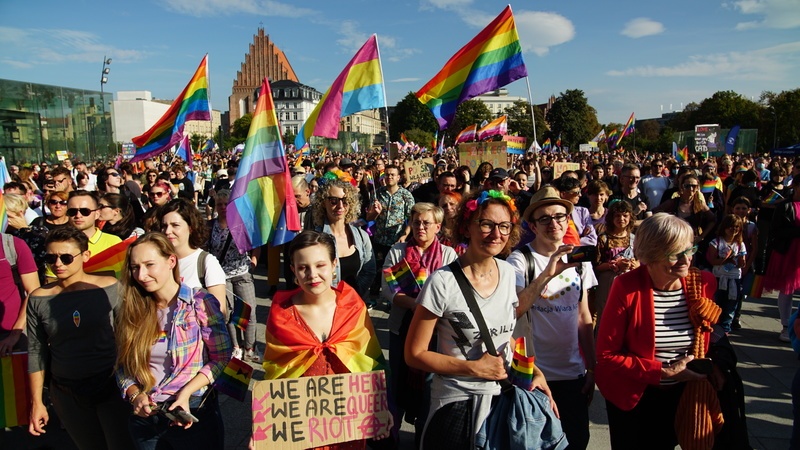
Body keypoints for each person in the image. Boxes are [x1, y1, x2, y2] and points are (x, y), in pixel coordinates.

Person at [405, 189, 555, 449]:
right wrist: (473, 368)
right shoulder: (442, 282)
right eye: (486, 224)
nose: (496, 234)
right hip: (455, 406)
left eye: (504, 226)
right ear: (467, 226)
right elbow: (414, 354)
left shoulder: (509, 273)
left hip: (503, 402)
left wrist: (535, 373)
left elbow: (508, 336)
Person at [595, 214, 722, 449]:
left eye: (690, 249)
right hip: (635, 397)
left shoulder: (703, 283)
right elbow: (606, 354)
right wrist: (664, 372)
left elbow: (708, 335)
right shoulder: (626, 286)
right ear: (650, 256)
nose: (686, 259)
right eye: (675, 254)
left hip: (685, 394)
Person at [261, 230, 389, 450]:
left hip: (349, 420)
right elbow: (275, 373)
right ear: (293, 271)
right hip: (302, 423)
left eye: (320, 265)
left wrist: (380, 409)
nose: (312, 275)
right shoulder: (281, 314)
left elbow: (370, 360)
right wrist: (265, 425)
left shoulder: (353, 306)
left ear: (333, 265)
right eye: (303, 267)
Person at [115, 232, 231, 450]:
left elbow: (221, 357)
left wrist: (186, 393)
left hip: (191, 412)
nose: (141, 275)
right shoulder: (131, 309)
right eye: (135, 267)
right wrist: (135, 395)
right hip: (145, 419)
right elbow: (123, 365)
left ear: (171, 261)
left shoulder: (200, 302)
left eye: (150, 265)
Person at [27, 227, 135, 450]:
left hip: (111, 386)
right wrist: (37, 402)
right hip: (66, 393)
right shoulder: (38, 298)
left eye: (66, 258)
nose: (58, 264)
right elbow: (36, 351)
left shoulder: (111, 288)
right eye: (51, 258)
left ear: (85, 256)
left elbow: (129, 339)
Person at [507, 186, 597, 450]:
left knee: (577, 441)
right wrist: (548, 272)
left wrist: (591, 368)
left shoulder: (580, 260)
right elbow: (515, 310)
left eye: (559, 216)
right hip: (533, 374)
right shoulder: (519, 261)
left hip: (573, 373)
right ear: (533, 226)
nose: (553, 223)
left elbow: (584, 316)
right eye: (544, 218)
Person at [382, 203, 458, 440]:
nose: (421, 227)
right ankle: (391, 436)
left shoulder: (449, 255)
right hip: (402, 326)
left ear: (438, 226)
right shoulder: (397, 251)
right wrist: (418, 306)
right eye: (416, 222)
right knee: (396, 382)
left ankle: (422, 437)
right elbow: (388, 290)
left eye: (426, 223)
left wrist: (429, 310)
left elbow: (454, 292)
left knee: (429, 387)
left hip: (436, 332)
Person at [207, 190, 260, 362]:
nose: (223, 207)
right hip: (221, 276)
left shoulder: (241, 224)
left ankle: (250, 347)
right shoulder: (210, 226)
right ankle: (236, 346)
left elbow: (255, 242)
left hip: (242, 273)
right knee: (229, 313)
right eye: (219, 204)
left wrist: (254, 261)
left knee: (249, 311)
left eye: (226, 204)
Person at [310, 178, 376, 301]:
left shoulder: (361, 236)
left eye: (345, 201)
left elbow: (369, 270)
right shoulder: (315, 239)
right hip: (325, 306)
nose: (340, 206)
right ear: (323, 202)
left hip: (354, 305)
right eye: (333, 200)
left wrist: (351, 297)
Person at [160, 199, 227, 315]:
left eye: (175, 225)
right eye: (164, 226)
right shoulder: (158, 261)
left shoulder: (206, 262)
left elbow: (219, 312)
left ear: (191, 228)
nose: (167, 231)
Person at [593, 200, 639, 328]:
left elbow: (641, 260)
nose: (621, 219)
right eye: (617, 215)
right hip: (607, 284)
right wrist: (613, 265)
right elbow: (596, 265)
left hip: (629, 282)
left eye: (625, 215)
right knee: (605, 316)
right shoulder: (603, 238)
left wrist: (636, 265)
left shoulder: (634, 239)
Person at [764, 185, 800, 342]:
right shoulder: (785, 206)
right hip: (789, 252)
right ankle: (786, 326)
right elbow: (775, 231)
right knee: (787, 290)